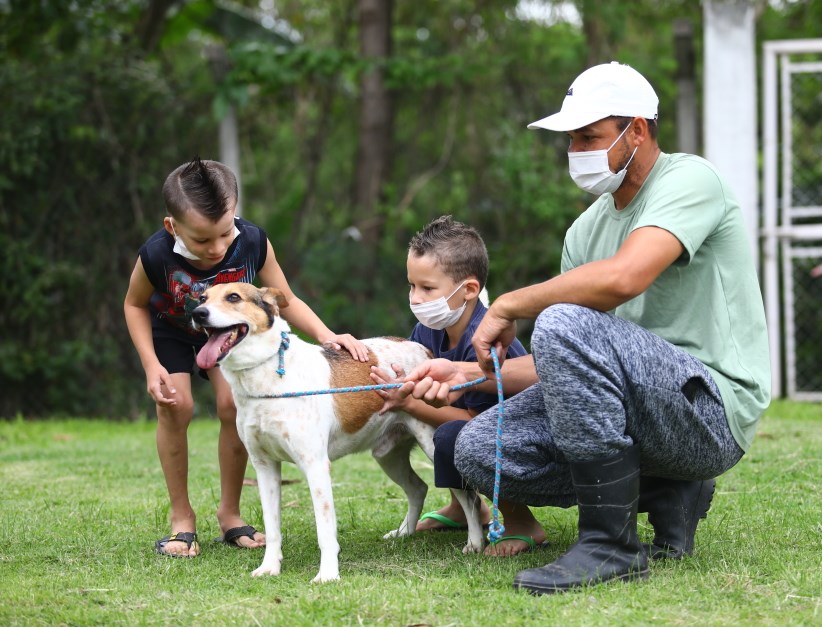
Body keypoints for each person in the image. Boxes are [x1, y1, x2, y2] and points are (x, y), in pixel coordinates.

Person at [394, 62, 771, 594]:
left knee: (562, 320)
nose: (576, 150)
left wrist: (510, 303)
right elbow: (570, 362)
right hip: (644, 412)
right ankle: (666, 488)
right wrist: (462, 373)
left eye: (589, 136)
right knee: (477, 448)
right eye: (571, 138)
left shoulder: (690, 180)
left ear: (637, 130)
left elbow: (625, 277)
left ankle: (610, 544)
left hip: (709, 410)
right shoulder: (585, 230)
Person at [124, 157, 369, 558]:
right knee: (176, 406)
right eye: (202, 241)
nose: (217, 248)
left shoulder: (253, 241)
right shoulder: (154, 254)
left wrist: (327, 335)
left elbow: (285, 300)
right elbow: (134, 305)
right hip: (172, 331)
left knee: (230, 405)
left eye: (224, 233)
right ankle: (182, 519)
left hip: (231, 335)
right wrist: (151, 365)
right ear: (173, 227)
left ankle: (231, 514)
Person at [369, 215, 536, 556]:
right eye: (412, 285)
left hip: (521, 438)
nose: (415, 298)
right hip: (474, 427)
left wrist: (408, 404)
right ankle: (462, 509)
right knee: (443, 431)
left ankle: (521, 520)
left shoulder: (487, 339)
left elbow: (474, 421)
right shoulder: (428, 332)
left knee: (449, 435)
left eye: (427, 288)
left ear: (469, 290)